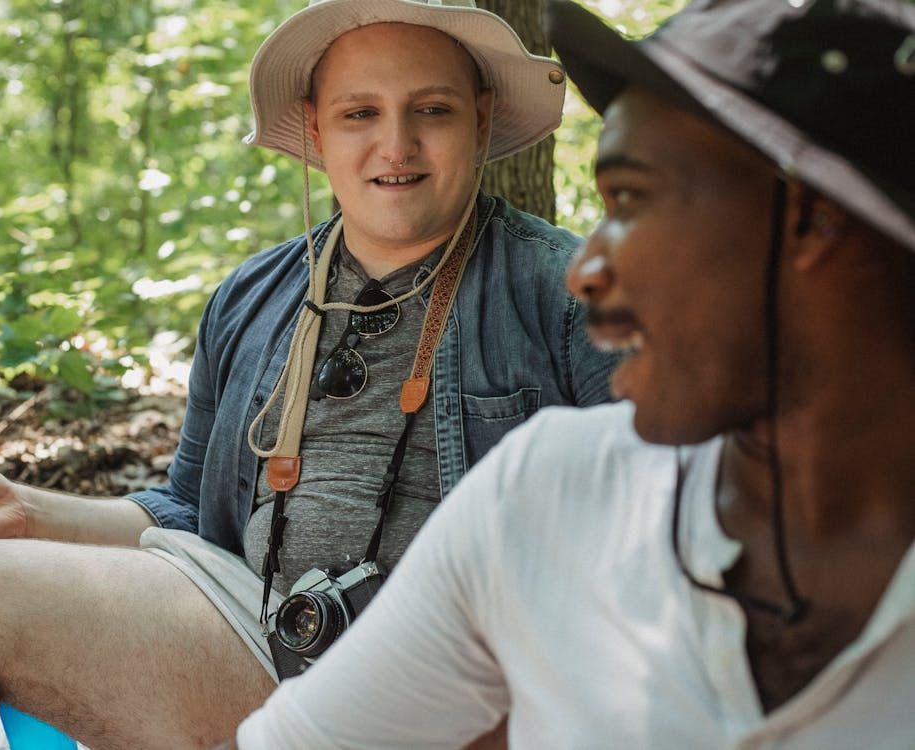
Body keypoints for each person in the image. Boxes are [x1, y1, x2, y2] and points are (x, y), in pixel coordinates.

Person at [0, 1, 615, 747]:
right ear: (316, 129)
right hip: (262, 643)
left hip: (470, 689)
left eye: (431, 110)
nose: (396, 144)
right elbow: (190, 514)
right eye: (359, 113)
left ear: (480, 120)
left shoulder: (570, 291)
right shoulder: (252, 296)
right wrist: (27, 509)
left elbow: (647, 534)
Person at [226, 0, 915, 746]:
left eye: (630, 198)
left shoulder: (553, 402)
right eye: (360, 112)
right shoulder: (543, 494)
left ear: (812, 220)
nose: (585, 269)